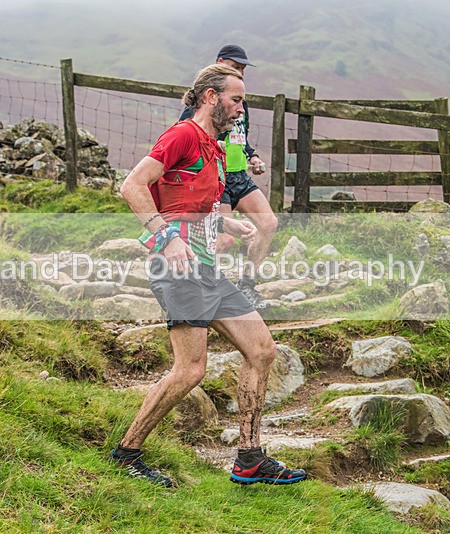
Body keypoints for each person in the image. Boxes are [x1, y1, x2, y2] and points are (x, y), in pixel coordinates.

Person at [112, 63, 307, 487]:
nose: (241, 109)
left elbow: (190, 206)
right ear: (210, 97)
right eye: (236, 100)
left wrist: (227, 225)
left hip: (207, 269)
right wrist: (166, 238)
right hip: (177, 267)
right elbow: (132, 185)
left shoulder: (216, 149)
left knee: (262, 351)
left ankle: (250, 458)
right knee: (190, 371)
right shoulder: (182, 135)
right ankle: (126, 453)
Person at [179, 44, 278, 310]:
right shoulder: (206, 101)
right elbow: (186, 133)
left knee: (268, 224)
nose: (241, 74)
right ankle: (195, 286)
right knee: (224, 239)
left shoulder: (239, 101)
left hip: (238, 176)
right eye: (236, 68)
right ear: (221, 63)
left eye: (243, 70)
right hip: (215, 176)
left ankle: (247, 285)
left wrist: (252, 156)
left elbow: (240, 135)